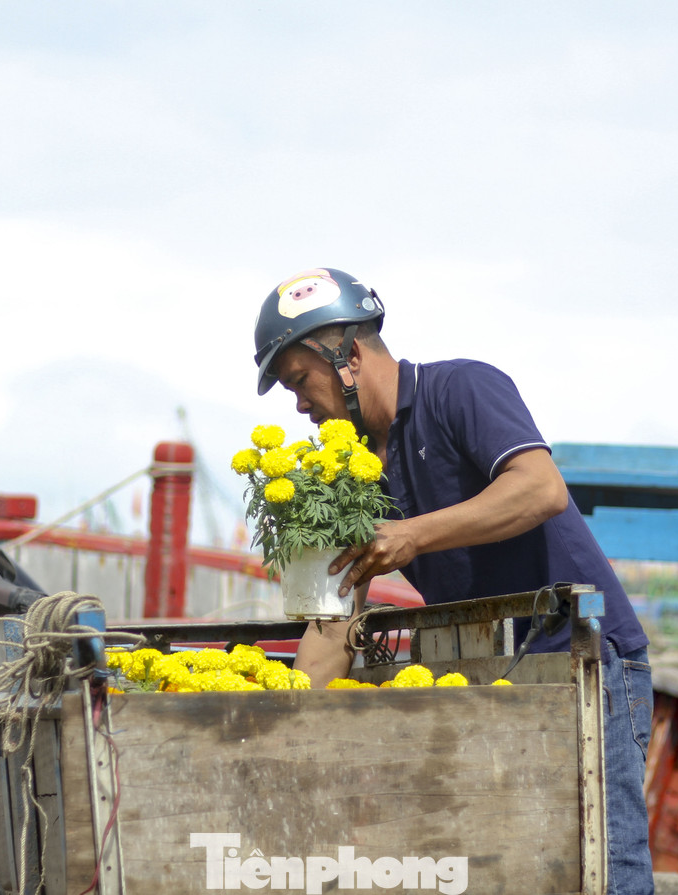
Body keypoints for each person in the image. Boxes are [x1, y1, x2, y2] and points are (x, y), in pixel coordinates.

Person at [252, 267, 655, 894]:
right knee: (512, 871)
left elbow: (540, 489)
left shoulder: (459, 388)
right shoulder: (355, 474)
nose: (300, 406)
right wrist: (273, 717)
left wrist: (414, 534)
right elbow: (336, 622)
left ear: (350, 355)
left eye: (301, 381)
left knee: (604, 868)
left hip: (582, 664)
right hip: (493, 677)